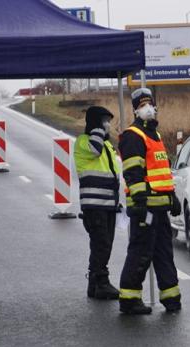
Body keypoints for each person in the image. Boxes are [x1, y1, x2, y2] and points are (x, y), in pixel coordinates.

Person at [118, 88, 182, 315]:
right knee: (140, 253)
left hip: (160, 208)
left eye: (150, 104)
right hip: (145, 209)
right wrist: (140, 200)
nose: (148, 108)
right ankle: (129, 298)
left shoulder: (156, 136)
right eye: (142, 104)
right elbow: (133, 173)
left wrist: (172, 196)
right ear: (135, 109)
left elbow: (162, 173)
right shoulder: (133, 135)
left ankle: (172, 298)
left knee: (164, 253)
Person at [74, 106, 121, 299]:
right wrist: (98, 130)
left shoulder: (106, 145)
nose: (107, 125)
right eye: (104, 121)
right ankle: (101, 282)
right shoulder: (84, 142)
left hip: (107, 203)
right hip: (94, 204)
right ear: (95, 123)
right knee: (101, 244)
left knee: (104, 245)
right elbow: (95, 150)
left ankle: (94, 283)